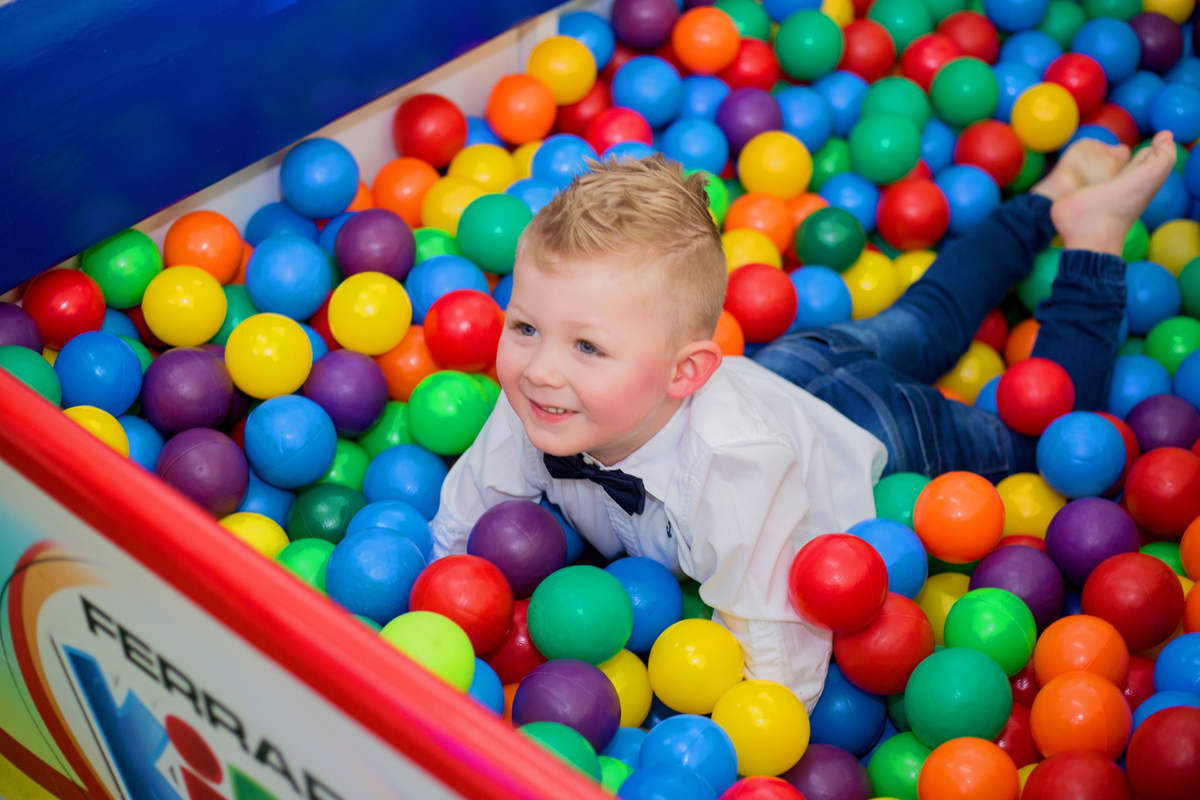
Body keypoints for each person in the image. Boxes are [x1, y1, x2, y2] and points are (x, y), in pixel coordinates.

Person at [429, 133, 1178, 710]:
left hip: (874, 422)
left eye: (587, 346)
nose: (540, 368)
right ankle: (1050, 194)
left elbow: (779, 671)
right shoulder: (538, 398)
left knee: (1046, 444)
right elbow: (460, 529)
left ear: (684, 371)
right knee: (924, 317)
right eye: (524, 327)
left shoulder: (732, 476)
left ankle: (1093, 235)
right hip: (787, 369)